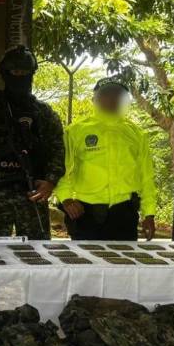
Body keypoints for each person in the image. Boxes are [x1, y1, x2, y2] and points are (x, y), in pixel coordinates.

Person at [0, 46, 64, 239]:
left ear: (32, 74)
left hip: (31, 192)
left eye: (25, 72)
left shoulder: (43, 113)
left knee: (37, 256)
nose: (20, 76)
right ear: (5, 74)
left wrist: (50, 181)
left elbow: (57, 151)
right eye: (15, 72)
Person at [55, 74, 157, 241]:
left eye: (117, 95)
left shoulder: (136, 134)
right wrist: (66, 199)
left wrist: (149, 214)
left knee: (124, 264)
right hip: (86, 214)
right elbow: (62, 169)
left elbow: (147, 177)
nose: (111, 99)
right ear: (95, 99)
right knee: (85, 264)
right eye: (106, 94)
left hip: (124, 214)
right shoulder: (75, 131)